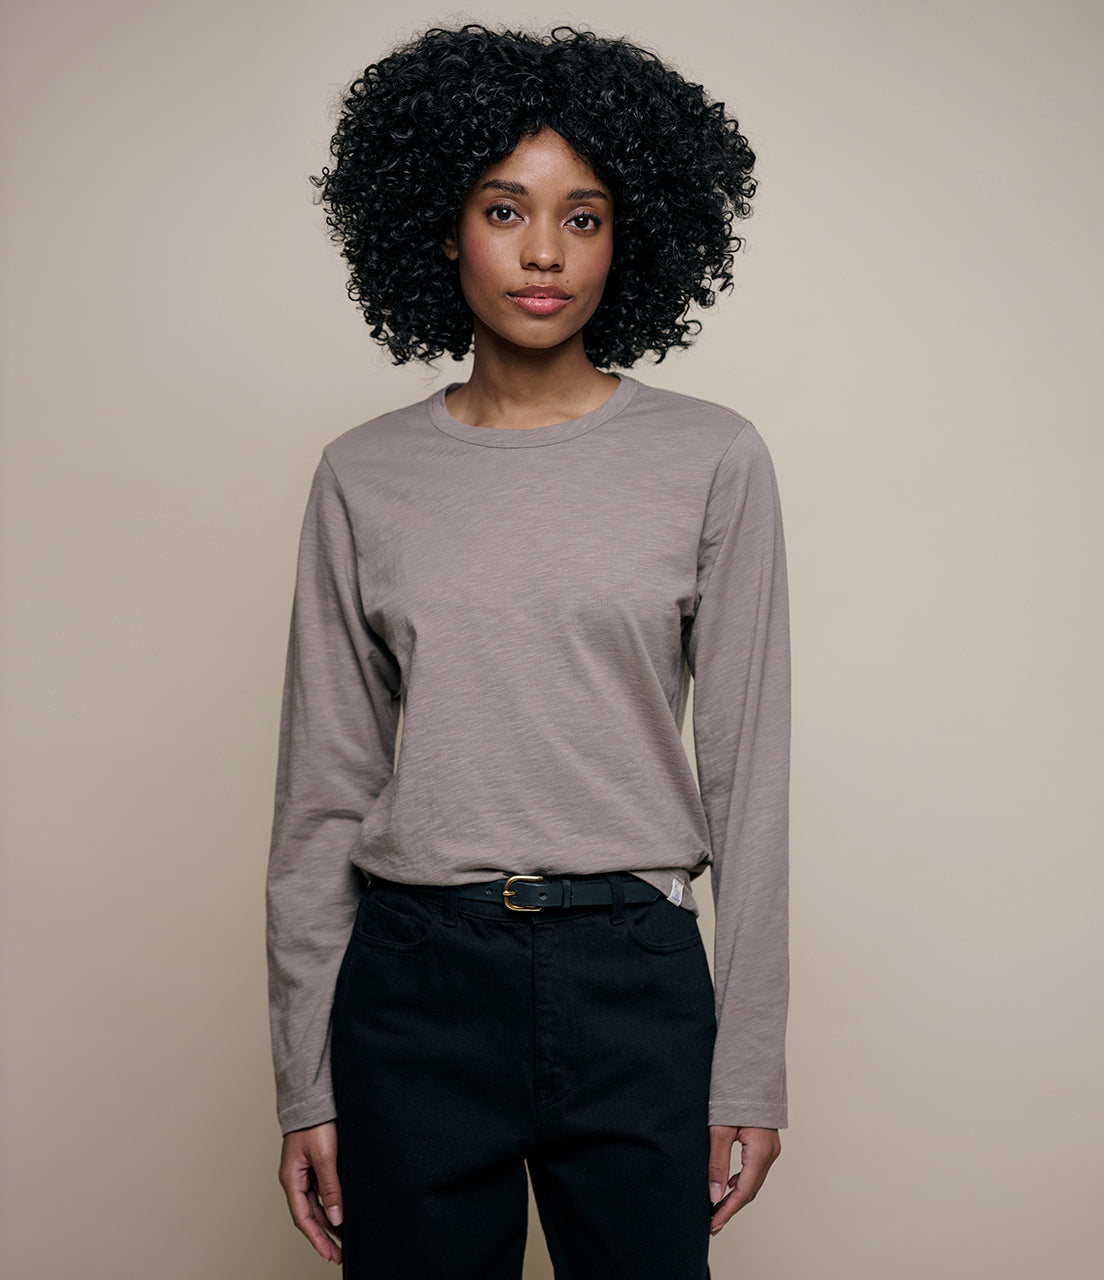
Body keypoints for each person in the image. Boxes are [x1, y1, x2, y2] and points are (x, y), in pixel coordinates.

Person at [265, 22, 790, 1279]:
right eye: (505, 208)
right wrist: (304, 1077)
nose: (545, 250)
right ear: (441, 229)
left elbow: (749, 776)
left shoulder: (712, 458)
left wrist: (751, 1058)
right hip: (413, 985)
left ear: (635, 235)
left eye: (586, 214)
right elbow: (322, 796)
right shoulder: (362, 474)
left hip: (635, 978)